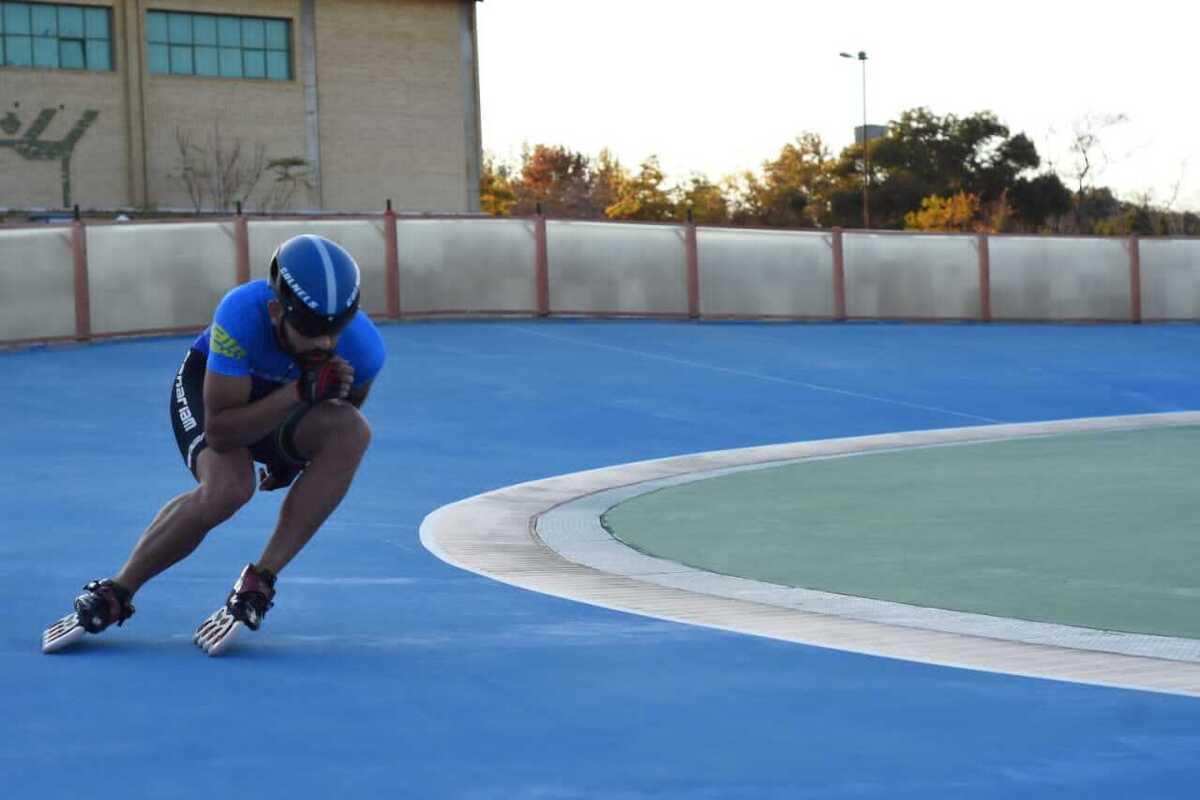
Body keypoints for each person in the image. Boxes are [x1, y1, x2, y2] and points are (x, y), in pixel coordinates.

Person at [42, 234, 386, 656]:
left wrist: (291, 460)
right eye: (311, 330)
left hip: (283, 403)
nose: (325, 344)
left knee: (353, 432)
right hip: (216, 398)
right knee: (228, 489)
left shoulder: (364, 349)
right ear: (276, 310)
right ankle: (118, 590)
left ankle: (259, 581)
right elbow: (222, 432)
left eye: (335, 330)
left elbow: (336, 413)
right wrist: (300, 391)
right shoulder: (240, 315)